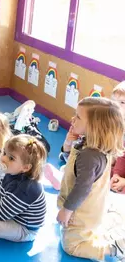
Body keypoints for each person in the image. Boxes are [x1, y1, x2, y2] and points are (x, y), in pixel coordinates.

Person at [56, 98, 125, 260]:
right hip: (94, 207)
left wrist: (66, 211)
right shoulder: (93, 146)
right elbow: (76, 169)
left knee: (70, 245)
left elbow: (82, 188)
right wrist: (69, 145)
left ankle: (114, 249)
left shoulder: (89, 155)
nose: (73, 119)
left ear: (95, 126)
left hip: (81, 211)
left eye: (78, 117)